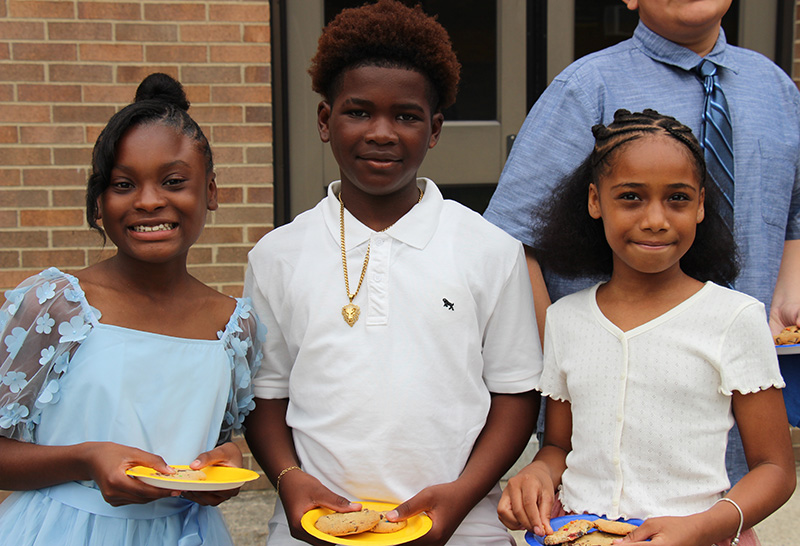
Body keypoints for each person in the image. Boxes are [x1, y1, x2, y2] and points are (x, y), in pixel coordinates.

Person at [243, 1, 542, 544]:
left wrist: (464, 492)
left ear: (434, 129)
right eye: (358, 111)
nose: (382, 132)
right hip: (315, 528)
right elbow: (267, 393)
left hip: (463, 526)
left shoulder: (490, 250)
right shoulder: (277, 255)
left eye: (406, 116)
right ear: (323, 120)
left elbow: (515, 395)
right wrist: (289, 481)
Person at [483, 0, 800, 484]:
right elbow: (510, 238)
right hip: (614, 403)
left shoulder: (776, 88)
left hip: (738, 378)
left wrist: (786, 299)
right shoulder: (585, 87)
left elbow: (794, 212)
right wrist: (565, 349)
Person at [497, 109, 795, 546]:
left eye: (677, 198)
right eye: (631, 197)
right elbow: (559, 444)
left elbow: (775, 469)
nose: (655, 218)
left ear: (700, 205)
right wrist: (538, 472)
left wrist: (705, 525)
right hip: (582, 535)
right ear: (595, 201)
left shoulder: (734, 318)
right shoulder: (566, 319)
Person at [0, 73, 265, 545]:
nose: (148, 201)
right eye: (124, 184)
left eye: (173, 181)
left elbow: (208, 443)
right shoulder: (56, 305)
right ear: (99, 204)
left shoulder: (232, 324)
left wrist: (225, 458)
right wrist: (84, 459)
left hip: (188, 533)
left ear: (211, 192)